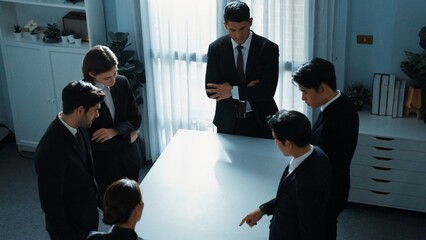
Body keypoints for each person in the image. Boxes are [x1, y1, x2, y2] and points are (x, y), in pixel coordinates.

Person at [292, 58, 359, 240]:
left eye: (305, 92)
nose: (302, 98)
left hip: (327, 194)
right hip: (333, 189)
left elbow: (325, 165)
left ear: (322, 88)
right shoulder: (339, 103)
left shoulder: (336, 122)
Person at [239, 109, 331, 239]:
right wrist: (263, 210)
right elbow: (290, 198)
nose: (275, 143)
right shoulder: (317, 153)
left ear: (288, 143)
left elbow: (311, 229)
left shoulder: (306, 183)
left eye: (276, 139)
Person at [35, 80, 105, 240]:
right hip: (70, 230)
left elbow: (87, 172)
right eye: (95, 111)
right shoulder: (50, 150)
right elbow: (51, 204)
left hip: (86, 218)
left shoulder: (79, 127)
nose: (97, 115)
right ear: (80, 110)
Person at [205, 0, 279, 138]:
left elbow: (267, 92)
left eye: (242, 29)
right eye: (232, 30)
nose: (238, 35)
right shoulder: (215, 48)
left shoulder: (268, 49)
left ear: (250, 22)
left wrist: (232, 91)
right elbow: (211, 91)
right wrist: (248, 90)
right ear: (225, 25)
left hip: (261, 121)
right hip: (227, 122)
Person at [82, 45, 143, 196]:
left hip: (130, 159)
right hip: (106, 165)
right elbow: (93, 141)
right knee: (113, 207)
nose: (113, 80)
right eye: (107, 77)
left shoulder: (122, 82)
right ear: (92, 74)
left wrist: (114, 131)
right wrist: (128, 137)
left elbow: (135, 118)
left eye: (115, 73)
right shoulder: (82, 95)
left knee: (133, 203)